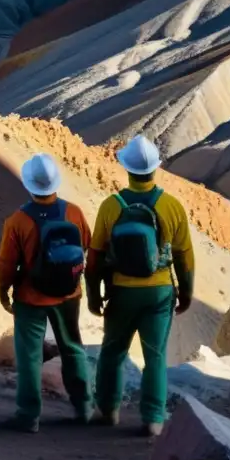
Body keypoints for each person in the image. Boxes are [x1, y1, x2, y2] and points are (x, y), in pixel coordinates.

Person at [86, 136, 194, 436]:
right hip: (159, 293)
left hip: (121, 292)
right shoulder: (171, 206)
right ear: (155, 169)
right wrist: (185, 293)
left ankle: (107, 410)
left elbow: (94, 255)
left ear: (127, 169)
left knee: (112, 352)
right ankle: (153, 420)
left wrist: (94, 294)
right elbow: (185, 255)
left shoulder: (111, 206)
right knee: (155, 356)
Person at [0, 154, 94, 433]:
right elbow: (85, 244)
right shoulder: (73, 212)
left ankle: (29, 415)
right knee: (72, 348)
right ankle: (83, 407)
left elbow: (7, 263)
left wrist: (4, 290)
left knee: (28, 355)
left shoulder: (17, 220)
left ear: (30, 185)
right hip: (68, 295)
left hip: (30, 297)